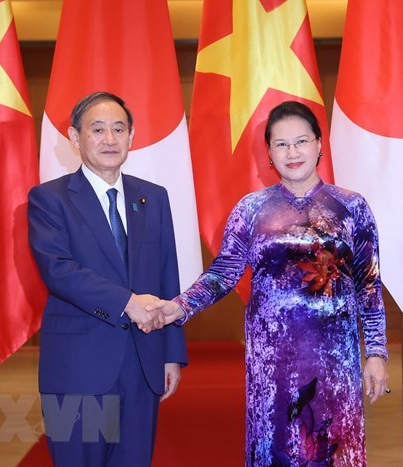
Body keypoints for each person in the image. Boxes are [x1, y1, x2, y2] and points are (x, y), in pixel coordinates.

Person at [149, 101, 389, 466]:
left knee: (333, 451)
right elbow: (224, 272)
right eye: (281, 144)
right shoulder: (250, 209)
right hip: (272, 360)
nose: (292, 152)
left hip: (335, 359)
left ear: (319, 144)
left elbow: (368, 284)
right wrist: (180, 305)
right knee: (275, 449)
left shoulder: (352, 207)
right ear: (269, 153)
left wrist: (376, 352)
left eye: (301, 141)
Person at [27, 91, 186, 466]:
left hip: (142, 363)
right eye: (97, 130)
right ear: (73, 136)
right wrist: (128, 302)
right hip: (78, 367)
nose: (109, 139)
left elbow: (167, 275)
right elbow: (58, 270)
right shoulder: (50, 199)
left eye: (119, 129)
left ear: (132, 137)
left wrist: (172, 355)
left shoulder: (154, 198)